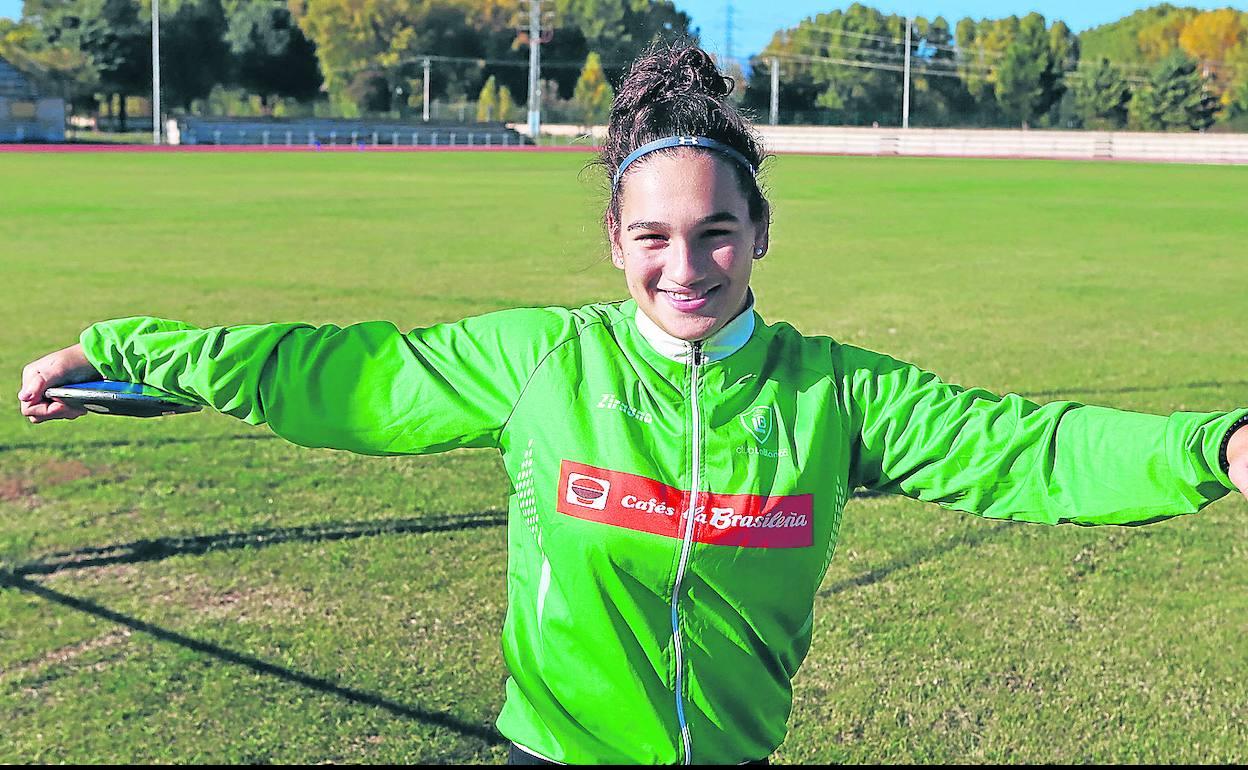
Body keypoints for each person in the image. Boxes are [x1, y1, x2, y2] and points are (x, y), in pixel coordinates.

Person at [17, 42, 1248, 765]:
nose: (686, 265)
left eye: (717, 232)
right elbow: (338, 374)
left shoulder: (834, 393)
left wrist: (1218, 441)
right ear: (614, 239)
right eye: (654, 236)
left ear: (760, 233)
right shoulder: (542, 363)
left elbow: (1028, 448)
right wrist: (128, 355)